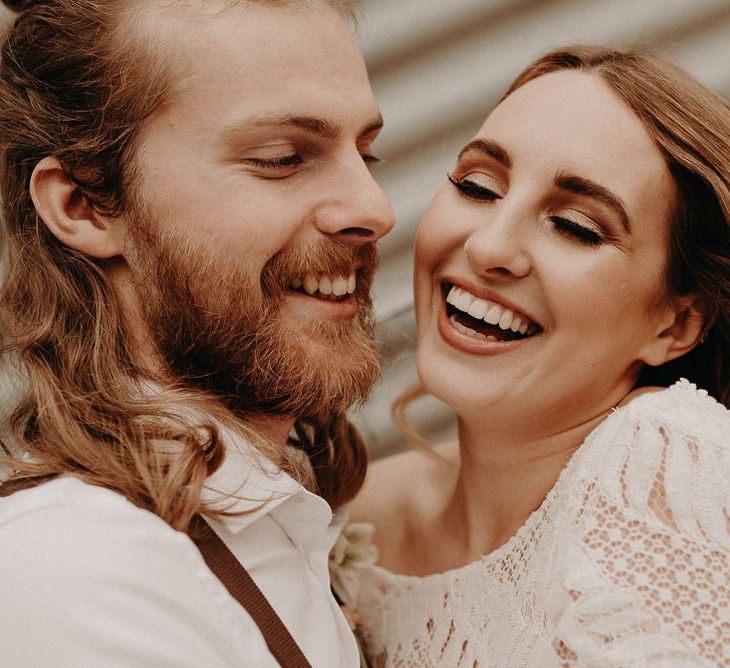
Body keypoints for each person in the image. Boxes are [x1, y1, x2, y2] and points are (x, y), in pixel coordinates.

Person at [0, 0, 394, 665]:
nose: (374, 209)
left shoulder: (278, 526)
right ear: (84, 207)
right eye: (282, 158)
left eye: (367, 151)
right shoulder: (80, 576)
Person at [334, 45, 730, 666]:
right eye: (478, 185)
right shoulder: (359, 520)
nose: (490, 245)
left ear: (675, 324)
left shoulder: (670, 460)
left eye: (575, 226)